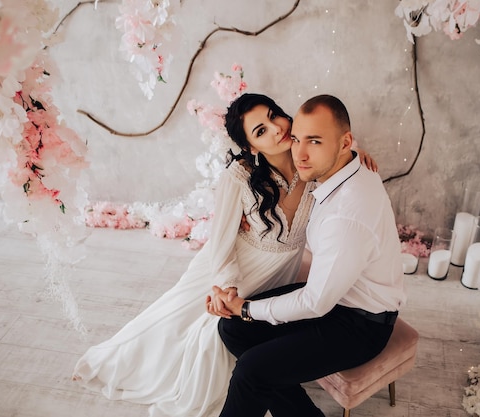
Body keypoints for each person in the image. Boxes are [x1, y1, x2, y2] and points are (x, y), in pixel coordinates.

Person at [71, 93, 377, 417]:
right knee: (189, 332)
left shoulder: (313, 165)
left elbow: (334, 154)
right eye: (260, 131)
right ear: (252, 148)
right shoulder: (240, 177)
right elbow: (220, 242)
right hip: (233, 265)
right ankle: (121, 362)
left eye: (275, 116)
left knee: (230, 336)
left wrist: (354, 154)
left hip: (278, 272)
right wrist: (227, 285)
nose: (276, 129)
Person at [211, 94, 407, 417]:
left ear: (345, 142)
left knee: (250, 371)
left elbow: (315, 302)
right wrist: (241, 309)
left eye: (313, 142)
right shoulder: (343, 166)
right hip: (336, 293)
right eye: (298, 139)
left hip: (360, 323)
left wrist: (246, 307)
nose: (299, 153)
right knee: (232, 329)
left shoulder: (345, 215)